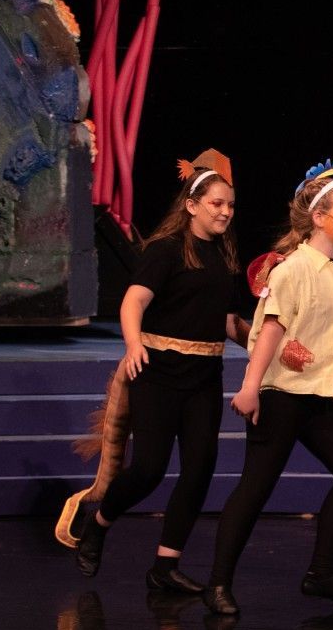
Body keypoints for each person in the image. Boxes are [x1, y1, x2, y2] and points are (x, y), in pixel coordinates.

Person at [202, 157, 333, 616]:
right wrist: (250, 386)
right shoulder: (291, 269)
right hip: (280, 395)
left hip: (320, 396)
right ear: (319, 217)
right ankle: (218, 584)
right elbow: (270, 329)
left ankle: (320, 575)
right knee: (256, 488)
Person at [61, 150, 252, 594]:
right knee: (148, 469)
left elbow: (226, 320)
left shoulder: (224, 256)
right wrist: (131, 345)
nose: (225, 212)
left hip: (205, 373)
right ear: (191, 205)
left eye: (230, 205)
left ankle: (165, 566)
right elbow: (133, 302)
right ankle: (99, 523)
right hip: (158, 370)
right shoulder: (165, 250)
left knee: (200, 469)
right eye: (216, 204)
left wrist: (262, 343)